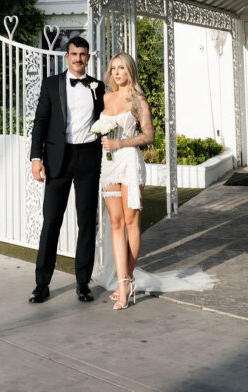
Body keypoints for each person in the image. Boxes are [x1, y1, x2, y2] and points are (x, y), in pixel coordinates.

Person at [29, 36, 105, 303]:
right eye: (74, 54)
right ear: (66, 56)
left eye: (83, 54)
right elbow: (40, 121)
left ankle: (83, 283)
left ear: (88, 57)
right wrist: (35, 158)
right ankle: (41, 284)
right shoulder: (51, 84)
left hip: (88, 157)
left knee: (86, 221)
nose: (78, 59)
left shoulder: (98, 86)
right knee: (51, 221)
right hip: (58, 158)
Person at [99, 52, 154, 310]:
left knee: (132, 222)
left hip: (130, 162)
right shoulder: (106, 98)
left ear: (130, 70)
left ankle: (126, 281)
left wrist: (119, 142)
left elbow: (148, 136)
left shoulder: (138, 100)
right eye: (114, 68)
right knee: (116, 223)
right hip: (109, 165)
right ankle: (123, 282)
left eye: (122, 68)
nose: (117, 72)